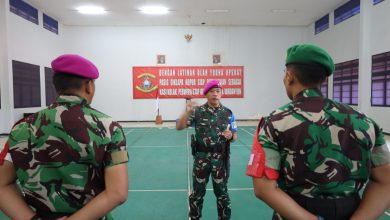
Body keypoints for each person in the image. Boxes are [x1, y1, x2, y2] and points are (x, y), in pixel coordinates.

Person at [246, 43, 390, 220]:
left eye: (285, 74)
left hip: (294, 212)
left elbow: (263, 188)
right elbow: (386, 181)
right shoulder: (365, 121)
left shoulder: (275, 121)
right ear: (324, 79)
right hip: (350, 211)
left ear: (290, 76)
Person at [0, 54, 129, 220]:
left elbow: (2, 183)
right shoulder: (109, 127)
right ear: (89, 86)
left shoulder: (21, 128)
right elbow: (117, 192)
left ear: (57, 86)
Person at [176, 79, 238, 220]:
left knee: (222, 194)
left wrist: (231, 136)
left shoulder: (229, 113)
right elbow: (179, 126)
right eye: (212, 91)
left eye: (218, 91)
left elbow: (235, 136)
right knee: (197, 194)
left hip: (220, 159)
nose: (215, 94)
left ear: (221, 94)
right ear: (206, 94)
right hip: (201, 159)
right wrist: (188, 110)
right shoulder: (197, 112)